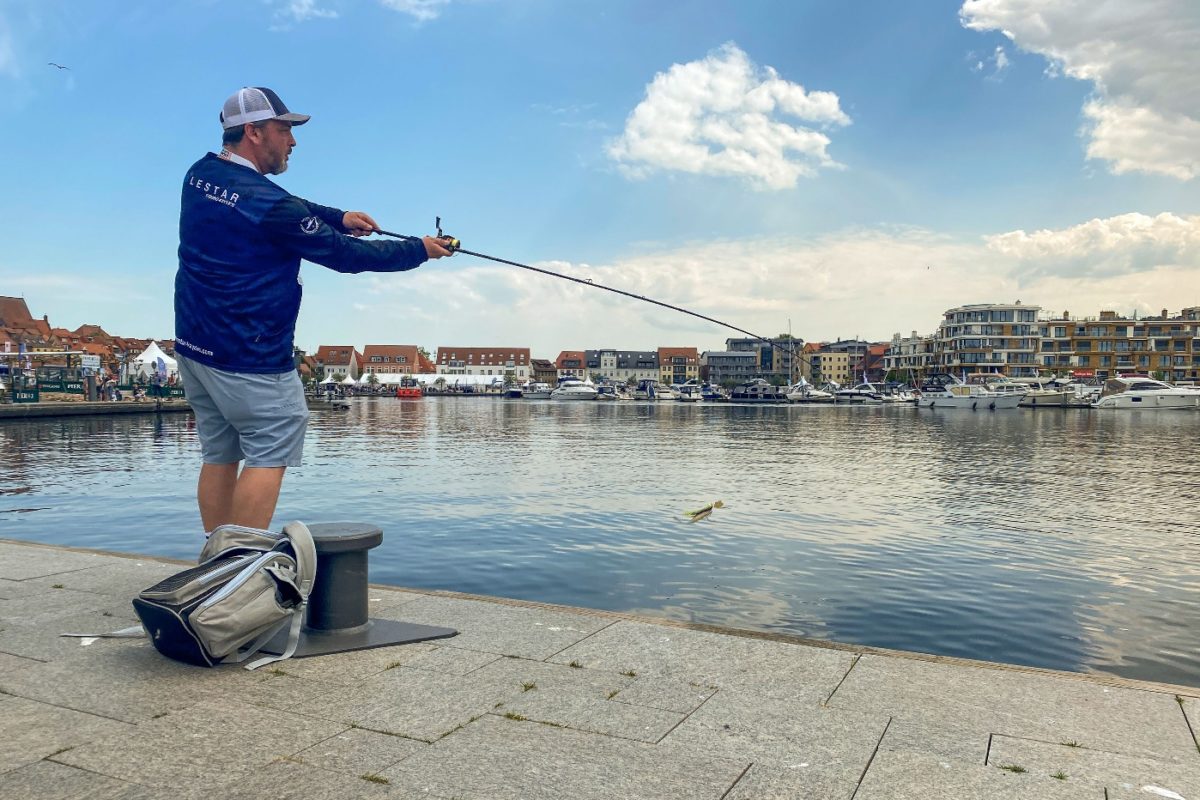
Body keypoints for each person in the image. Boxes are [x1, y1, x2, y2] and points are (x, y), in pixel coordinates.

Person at [174, 87, 454, 533]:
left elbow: (284, 204)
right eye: (285, 130)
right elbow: (345, 256)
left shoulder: (201, 174)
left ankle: (215, 562)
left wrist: (338, 215)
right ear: (254, 132)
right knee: (272, 443)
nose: (293, 141)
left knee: (220, 451)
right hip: (250, 352)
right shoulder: (270, 206)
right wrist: (418, 250)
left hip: (193, 344)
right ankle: (241, 569)